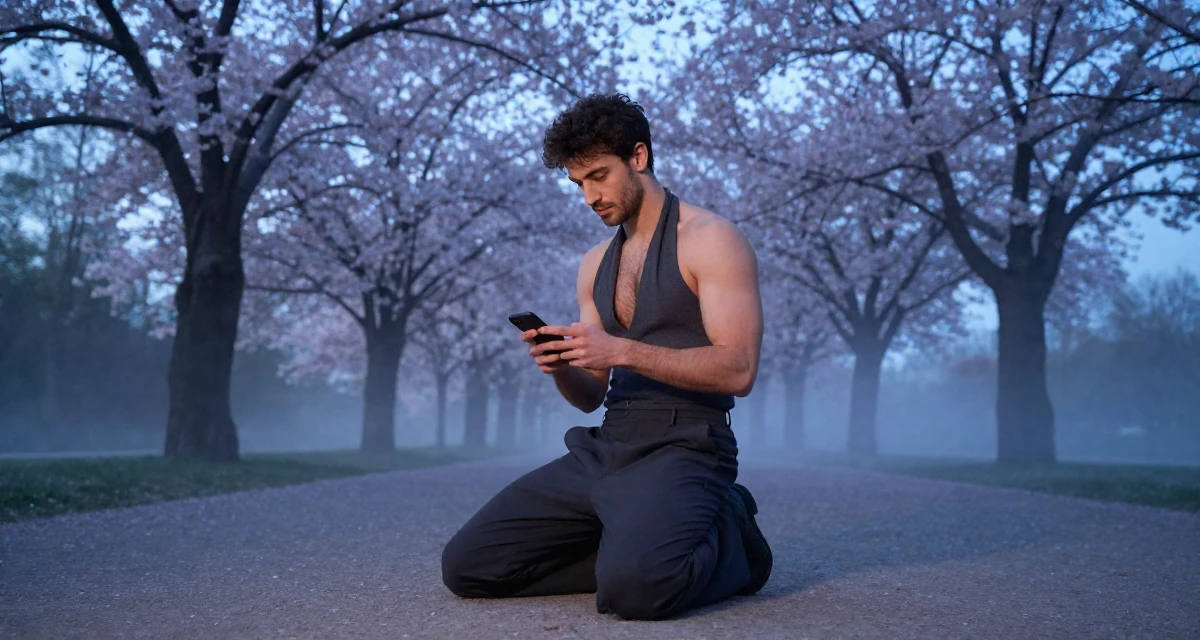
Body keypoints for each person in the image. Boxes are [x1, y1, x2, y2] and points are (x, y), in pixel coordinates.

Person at [440, 93, 771, 621]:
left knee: (639, 593)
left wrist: (621, 350)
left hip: (685, 446)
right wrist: (562, 366)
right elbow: (591, 396)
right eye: (578, 184)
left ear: (638, 157)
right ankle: (632, 543)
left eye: (598, 175)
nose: (589, 196)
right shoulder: (595, 264)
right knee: (468, 567)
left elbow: (739, 368)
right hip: (610, 445)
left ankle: (732, 533)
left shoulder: (712, 240)